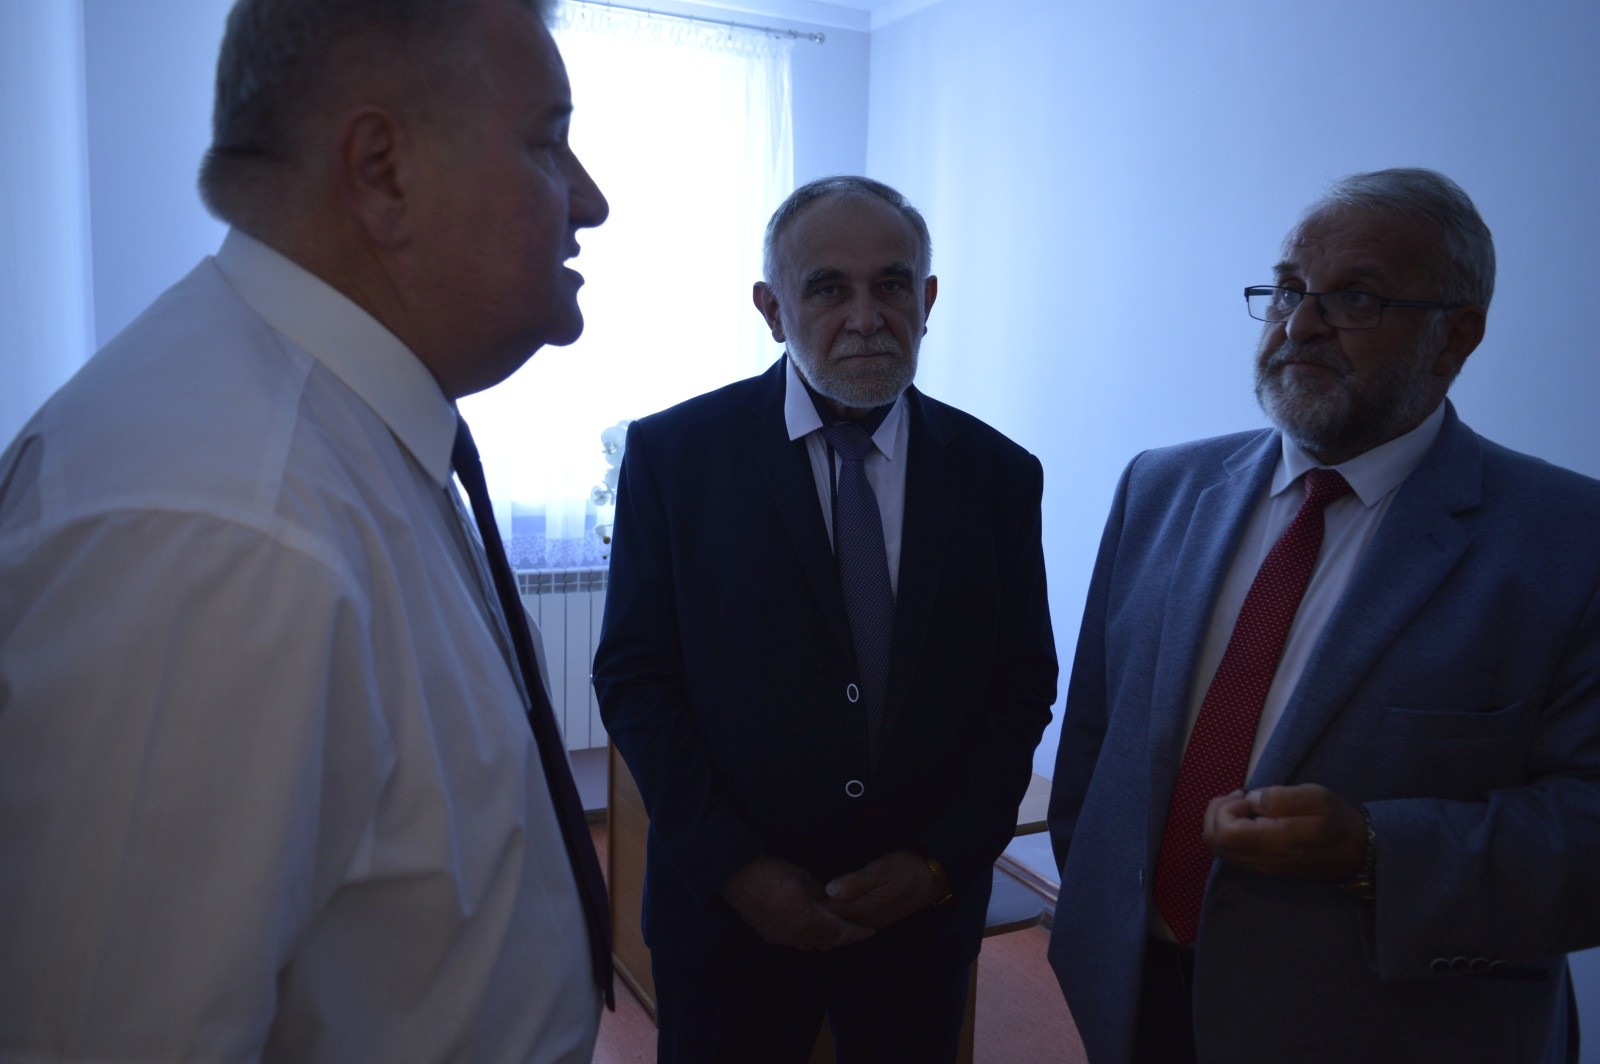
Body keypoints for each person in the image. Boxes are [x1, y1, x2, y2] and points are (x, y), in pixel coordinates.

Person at [0, 0, 612, 1060]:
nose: (590, 199)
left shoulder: (324, 439)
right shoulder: (222, 527)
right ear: (381, 172)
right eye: (546, 140)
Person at [1047, 167, 1600, 1063]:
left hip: (1390, 1031)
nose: (1301, 325)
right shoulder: (1161, 487)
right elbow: (1097, 743)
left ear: (1456, 335)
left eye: (1357, 298)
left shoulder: (1568, 542)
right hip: (1133, 999)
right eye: (1288, 289)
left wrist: (1375, 849)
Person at [592, 175, 1058, 1062]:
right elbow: (636, 679)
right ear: (772, 310)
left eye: (891, 285)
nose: (866, 317)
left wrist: (938, 862)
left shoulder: (997, 475)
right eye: (828, 289)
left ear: (927, 300)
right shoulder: (676, 458)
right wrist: (738, 869)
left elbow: (1021, 681)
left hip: (917, 925)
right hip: (728, 923)